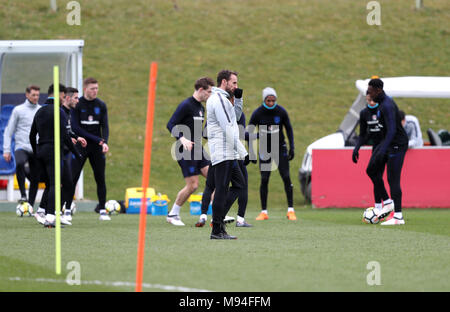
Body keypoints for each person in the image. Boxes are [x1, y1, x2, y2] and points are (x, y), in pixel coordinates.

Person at [196, 89, 252, 228]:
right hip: (229, 153)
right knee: (228, 186)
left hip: (220, 152)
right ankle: (229, 219)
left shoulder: (224, 110)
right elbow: (238, 133)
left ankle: (207, 217)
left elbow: (206, 133)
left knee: (213, 185)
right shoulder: (221, 108)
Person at [29, 84, 81, 227]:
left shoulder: (39, 112)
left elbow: (32, 135)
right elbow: (65, 137)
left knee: (53, 184)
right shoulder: (60, 112)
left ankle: (46, 213)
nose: (64, 99)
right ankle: (50, 218)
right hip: (54, 151)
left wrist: (36, 152)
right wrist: (77, 152)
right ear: (59, 95)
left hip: (42, 151)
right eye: (63, 96)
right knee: (55, 184)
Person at [166, 77, 215, 226]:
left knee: (216, 179)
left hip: (198, 149)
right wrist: (182, 139)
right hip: (185, 150)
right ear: (200, 90)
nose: (210, 95)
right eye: (208, 92)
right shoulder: (186, 105)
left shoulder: (201, 108)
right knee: (193, 185)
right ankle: (173, 214)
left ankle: (217, 216)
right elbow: (170, 124)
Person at [206, 69, 248, 239]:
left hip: (227, 151)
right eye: (234, 83)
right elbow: (228, 128)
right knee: (222, 189)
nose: (236, 86)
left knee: (238, 184)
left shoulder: (224, 99)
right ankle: (216, 230)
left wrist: (238, 99)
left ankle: (218, 222)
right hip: (223, 151)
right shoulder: (218, 99)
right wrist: (244, 152)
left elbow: (236, 117)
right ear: (224, 82)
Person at [248, 87, 296, 221]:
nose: (270, 103)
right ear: (264, 99)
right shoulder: (258, 113)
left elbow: (289, 129)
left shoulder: (281, 112)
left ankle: (290, 210)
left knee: (286, 176)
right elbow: (250, 131)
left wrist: (292, 147)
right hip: (264, 149)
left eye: (273, 100)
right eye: (268, 100)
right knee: (264, 179)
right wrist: (251, 152)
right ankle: (264, 212)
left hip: (280, 147)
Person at [366, 78, 409, 225]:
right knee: (371, 170)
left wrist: (382, 149)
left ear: (378, 90)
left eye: (370, 91)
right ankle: (388, 202)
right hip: (387, 143)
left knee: (392, 179)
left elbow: (392, 131)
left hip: (397, 144)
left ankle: (398, 216)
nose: (368, 93)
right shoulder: (381, 103)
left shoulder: (387, 105)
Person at [70, 77, 110, 221]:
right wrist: (97, 139)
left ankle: (102, 210)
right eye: (92, 88)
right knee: (73, 177)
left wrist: (104, 142)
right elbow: (76, 128)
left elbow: (104, 126)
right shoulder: (77, 104)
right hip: (81, 145)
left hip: (97, 147)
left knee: (100, 178)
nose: (95, 91)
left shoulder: (101, 105)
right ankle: (67, 209)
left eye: (97, 88)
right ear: (85, 89)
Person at [3, 85, 41, 206]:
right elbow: (9, 131)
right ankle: (23, 195)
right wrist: (7, 150)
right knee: (19, 163)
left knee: (35, 177)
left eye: (37, 95)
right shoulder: (18, 110)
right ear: (27, 95)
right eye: (33, 95)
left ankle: (30, 204)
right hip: (21, 146)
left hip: (36, 148)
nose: (36, 97)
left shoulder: (41, 110)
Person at [352, 91, 388, 217]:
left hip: (385, 146)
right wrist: (356, 148)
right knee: (376, 176)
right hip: (375, 147)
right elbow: (363, 135)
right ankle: (379, 207)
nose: (371, 103)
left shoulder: (383, 110)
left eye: (373, 100)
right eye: (368, 100)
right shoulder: (364, 113)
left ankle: (387, 203)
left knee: (373, 173)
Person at [60, 87, 86, 222]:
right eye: (76, 98)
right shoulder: (60, 113)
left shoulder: (69, 113)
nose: (78, 100)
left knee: (69, 184)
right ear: (68, 98)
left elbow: (67, 131)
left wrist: (77, 137)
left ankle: (61, 212)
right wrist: (68, 139)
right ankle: (49, 212)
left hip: (67, 152)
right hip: (58, 153)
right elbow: (58, 132)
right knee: (61, 184)